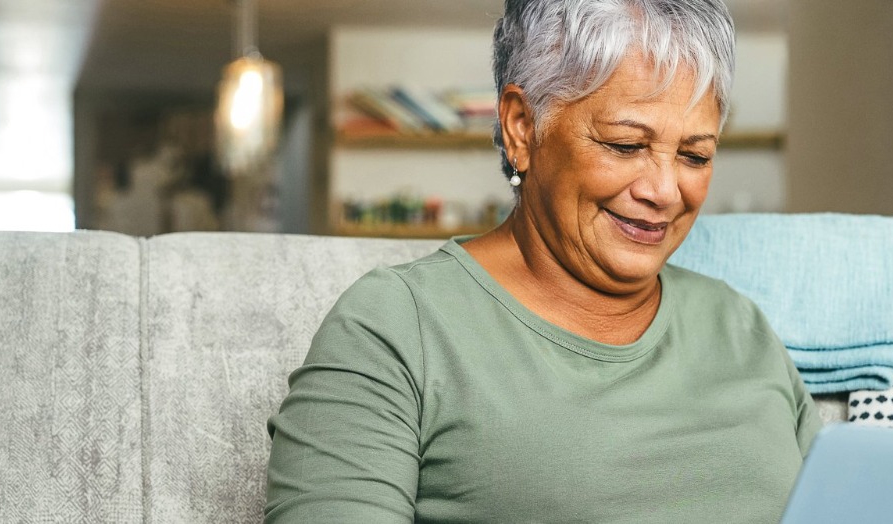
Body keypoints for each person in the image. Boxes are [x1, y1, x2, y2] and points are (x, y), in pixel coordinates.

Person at [265, 0, 820, 521]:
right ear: (522, 128)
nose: (665, 191)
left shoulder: (741, 328)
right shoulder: (395, 328)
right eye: (625, 145)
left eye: (695, 155)